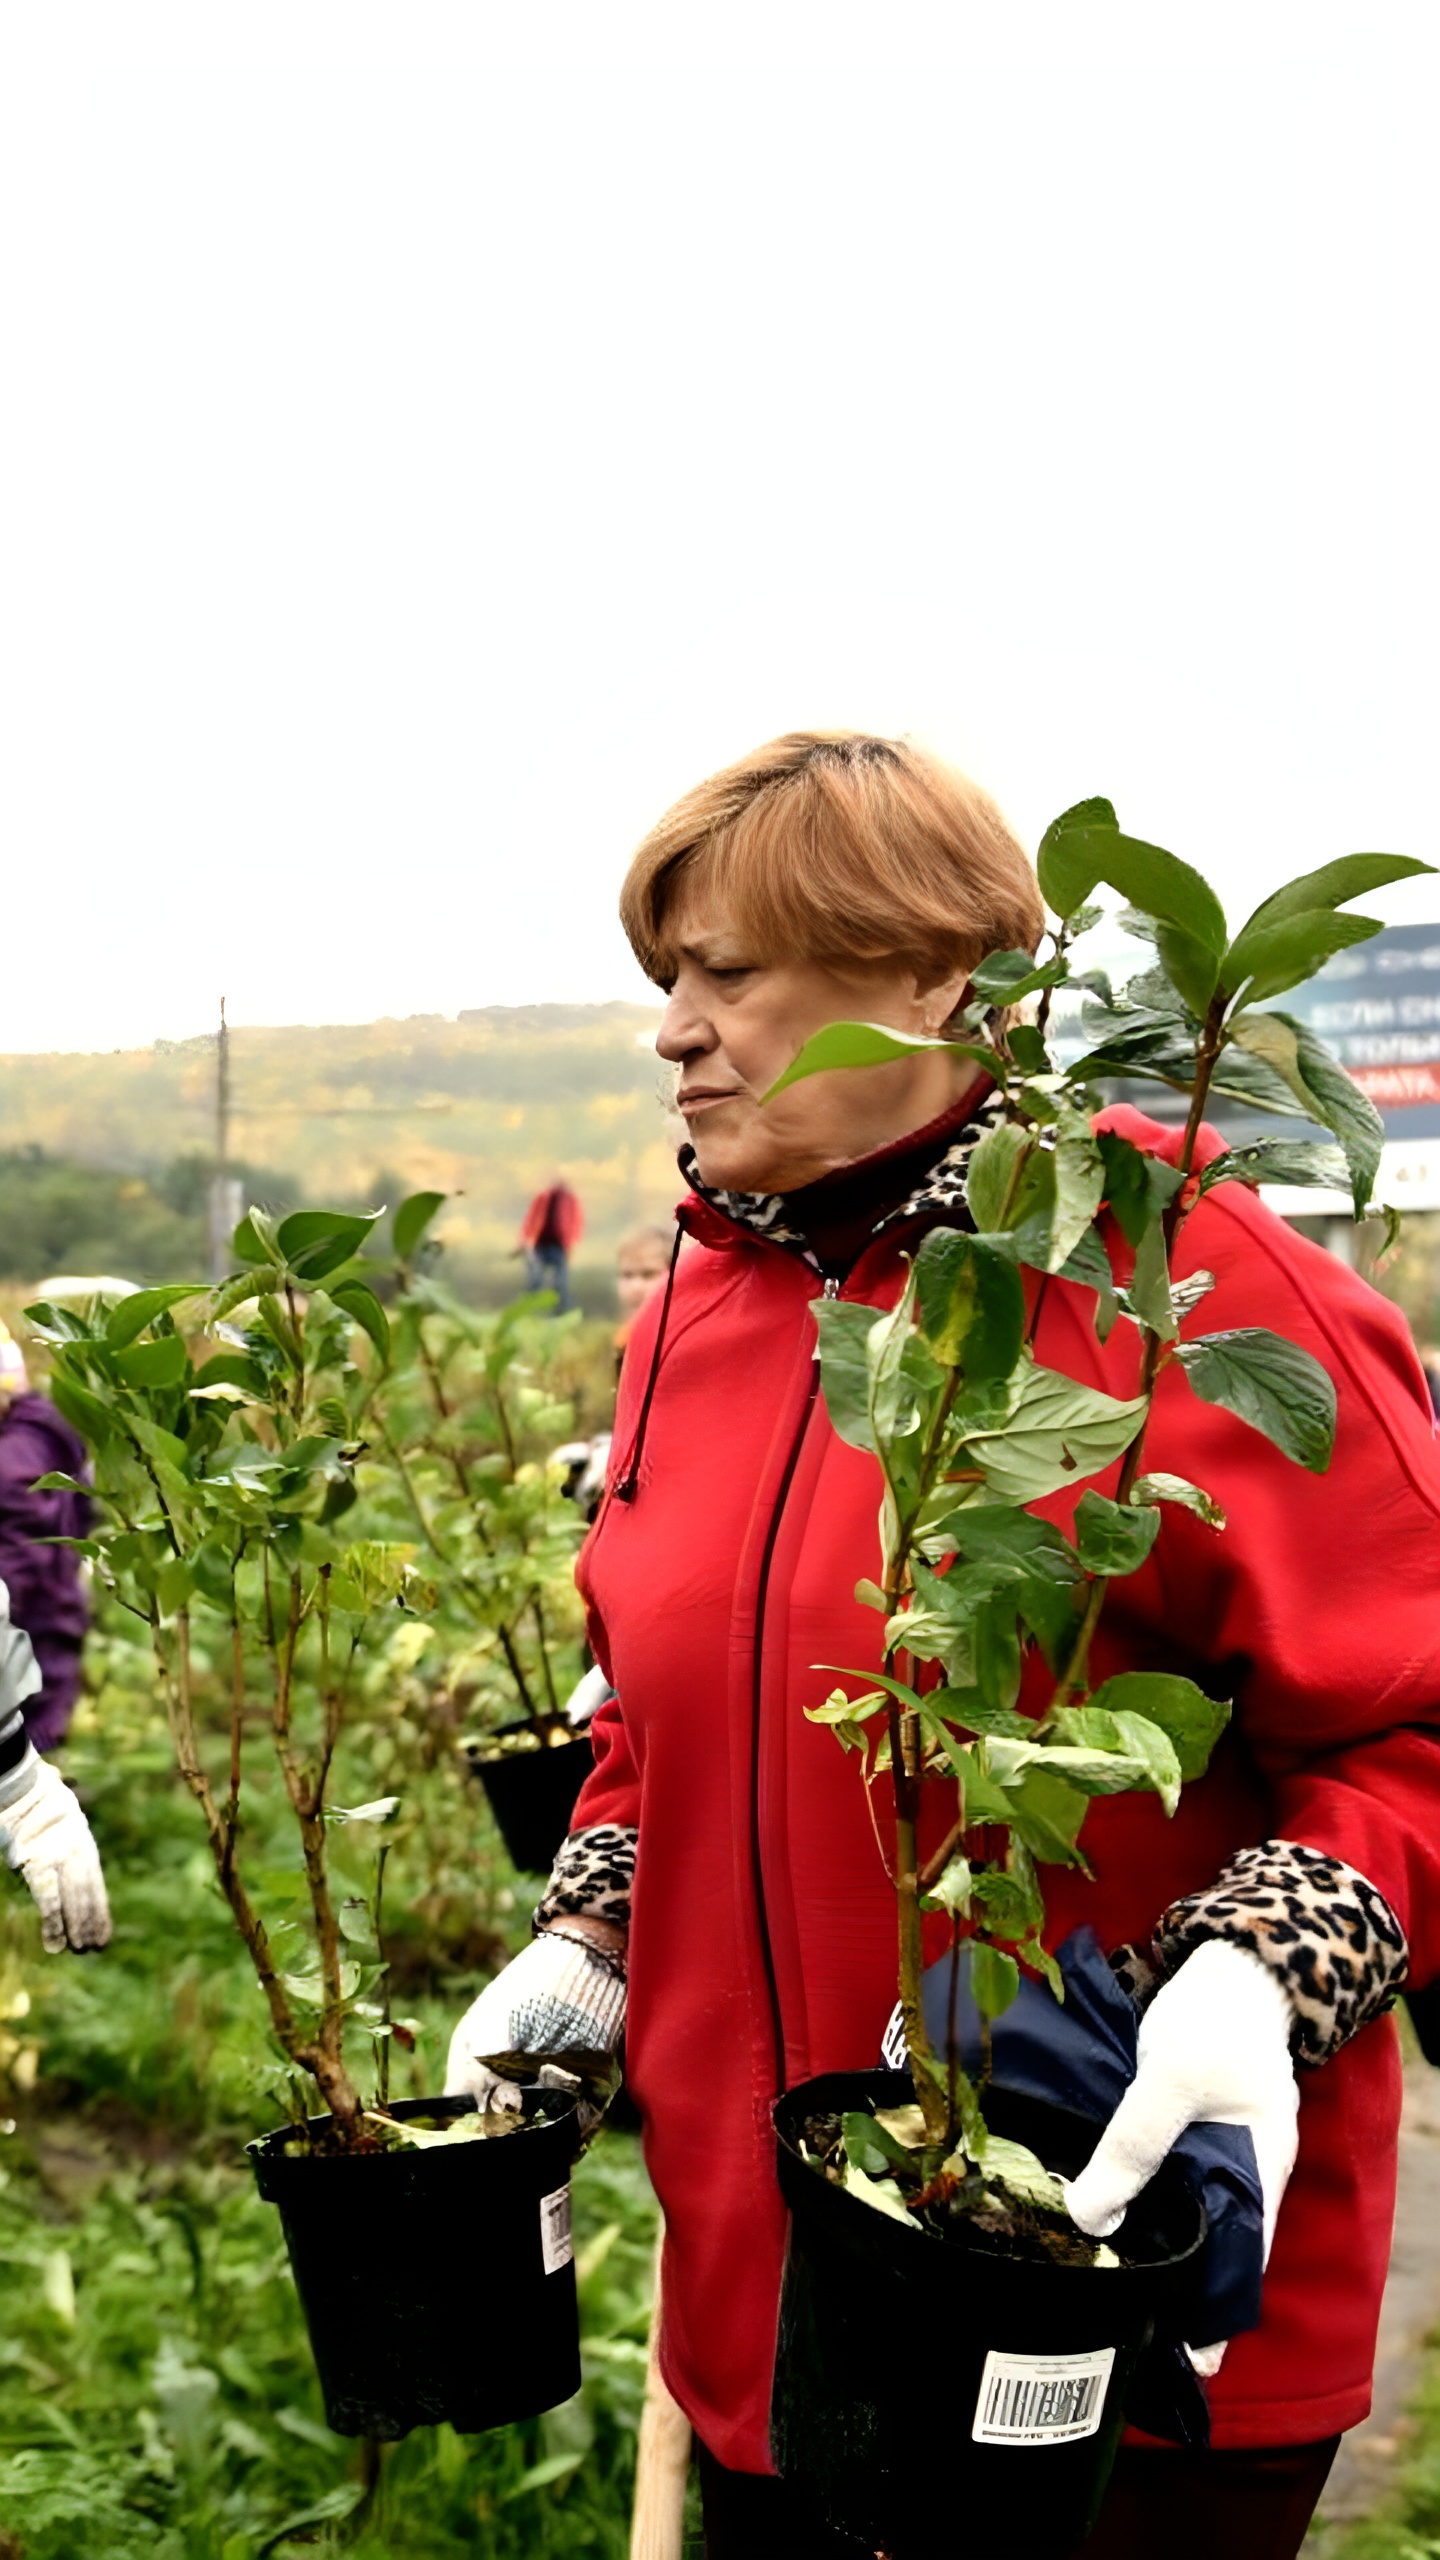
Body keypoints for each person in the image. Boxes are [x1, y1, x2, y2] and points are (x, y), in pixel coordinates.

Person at [446, 733, 1440, 2560]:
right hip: (770, 2316)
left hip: (1103, 2293)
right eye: (662, 978)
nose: (672, 1027)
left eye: (728, 972)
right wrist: (591, 1935)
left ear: (929, 973)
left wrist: (1264, 1968)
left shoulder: (1190, 1282)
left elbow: (1416, 1722)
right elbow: (668, 1728)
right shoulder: (688, 1319)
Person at [613, 1223, 674, 1368]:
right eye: (627, 1275)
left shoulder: (681, 1342)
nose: (636, 1287)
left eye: (648, 1274)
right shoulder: (623, 1340)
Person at [517, 1177, 583, 1311]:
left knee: (560, 1283)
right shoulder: (542, 1198)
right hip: (539, 1245)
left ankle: (560, 1314)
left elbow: (576, 1223)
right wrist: (523, 1240)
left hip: (559, 1246)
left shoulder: (571, 1201)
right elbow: (531, 1219)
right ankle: (528, 1312)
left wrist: (571, 1242)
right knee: (535, 1281)